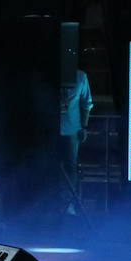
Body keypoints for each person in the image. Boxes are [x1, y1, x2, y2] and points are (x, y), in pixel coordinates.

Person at [58, 69, 92, 213]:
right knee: (56, 166)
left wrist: (84, 127)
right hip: (54, 129)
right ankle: (53, 200)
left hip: (71, 129)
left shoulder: (80, 76)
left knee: (71, 166)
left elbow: (86, 103)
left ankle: (67, 203)